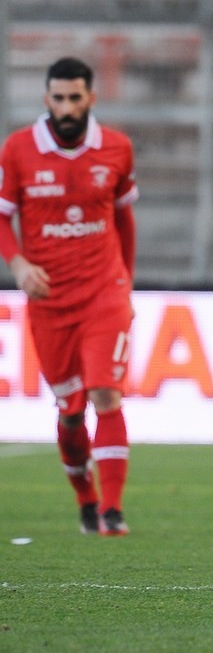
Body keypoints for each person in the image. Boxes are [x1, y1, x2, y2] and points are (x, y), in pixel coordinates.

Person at [0, 57, 138, 537]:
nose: (66, 107)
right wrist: (18, 264)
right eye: (58, 98)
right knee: (70, 410)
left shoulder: (117, 148)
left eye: (75, 98)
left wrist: (126, 280)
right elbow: (2, 217)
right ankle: (86, 499)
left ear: (90, 99)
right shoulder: (18, 150)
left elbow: (123, 218)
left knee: (105, 392)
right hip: (50, 300)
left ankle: (112, 511)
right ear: (46, 100)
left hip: (104, 291)